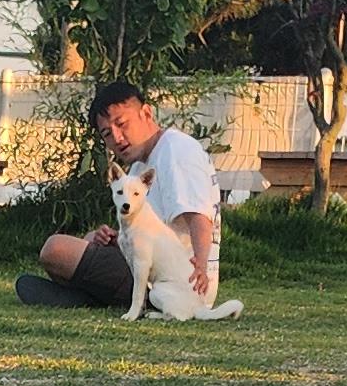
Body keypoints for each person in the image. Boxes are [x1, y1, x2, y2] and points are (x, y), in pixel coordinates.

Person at [16, 80, 225, 309]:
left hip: (175, 280)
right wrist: (111, 238)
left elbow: (199, 216)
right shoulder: (138, 168)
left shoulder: (176, 150)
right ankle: (94, 298)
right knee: (82, 243)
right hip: (150, 265)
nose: (116, 138)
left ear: (146, 113)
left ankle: (94, 298)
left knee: (55, 249)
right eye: (107, 133)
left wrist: (200, 269)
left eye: (122, 124)